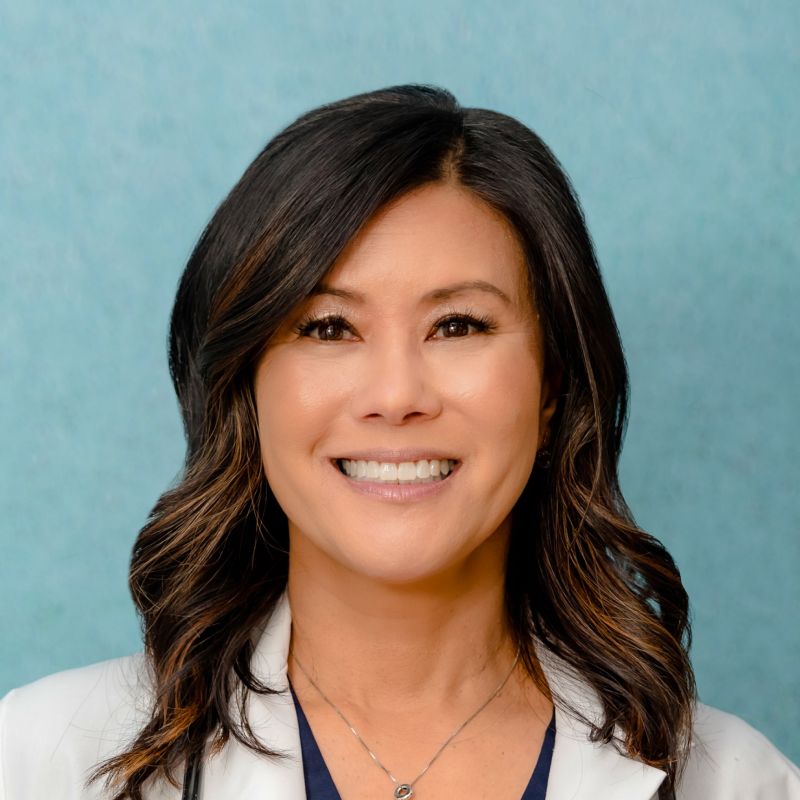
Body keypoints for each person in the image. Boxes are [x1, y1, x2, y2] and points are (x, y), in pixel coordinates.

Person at [0, 84, 797, 800]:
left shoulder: (736, 783)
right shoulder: (43, 762)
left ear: (553, 386)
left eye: (458, 325)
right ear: (245, 387)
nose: (396, 397)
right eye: (328, 327)